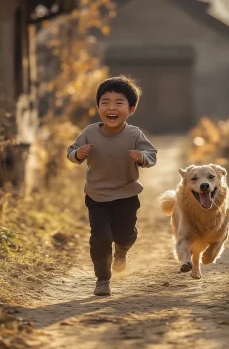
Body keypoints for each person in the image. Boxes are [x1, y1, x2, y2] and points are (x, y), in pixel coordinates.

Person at [66, 75, 157, 296]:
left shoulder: (134, 134)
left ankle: (122, 252)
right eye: (105, 102)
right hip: (96, 196)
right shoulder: (89, 132)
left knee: (125, 235)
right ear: (98, 107)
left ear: (131, 109)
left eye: (119, 103)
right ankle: (102, 279)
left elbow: (152, 155)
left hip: (126, 195)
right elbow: (70, 152)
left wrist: (141, 157)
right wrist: (79, 153)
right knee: (100, 237)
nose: (111, 107)